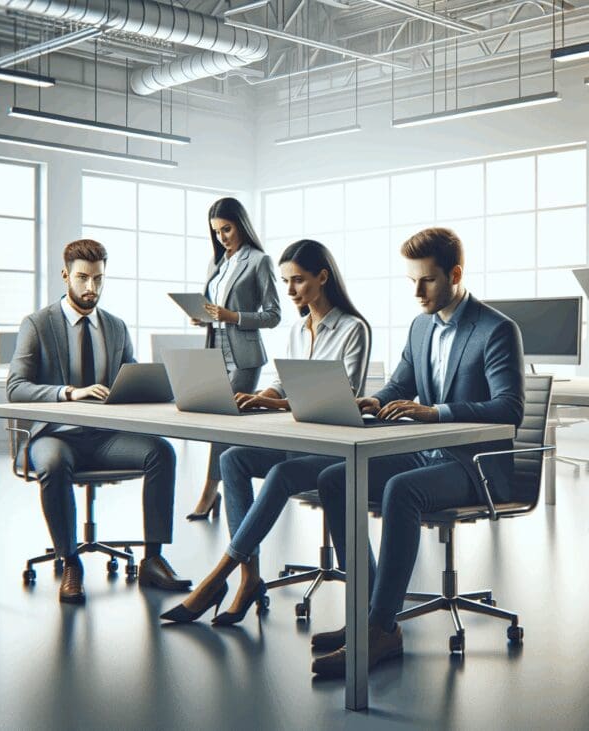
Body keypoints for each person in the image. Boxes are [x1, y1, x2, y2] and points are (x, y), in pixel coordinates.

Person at [308, 228, 525, 679]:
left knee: (400, 490)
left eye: (426, 280)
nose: (418, 292)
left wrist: (436, 412)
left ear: (456, 274)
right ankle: (367, 612)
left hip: (475, 466)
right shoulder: (420, 326)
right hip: (427, 454)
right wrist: (375, 399)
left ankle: (381, 630)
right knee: (334, 478)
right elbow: (401, 384)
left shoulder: (496, 329)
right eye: (411, 281)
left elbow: (510, 407)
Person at [160, 239, 371, 625]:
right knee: (232, 459)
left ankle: (217, 577)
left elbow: (343, 399)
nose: (290, 291)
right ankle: (249, 577)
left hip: (333, 451)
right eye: (286, 282)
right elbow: (284, 382)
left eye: (299, 282)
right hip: (296, 442)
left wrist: (276, 404)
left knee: (279, 474)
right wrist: (261, 395)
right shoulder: (297, 329)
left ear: (323, 278)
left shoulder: (353, 328)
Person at [7, 239, 191, 604]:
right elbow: (16, 387)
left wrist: (160, 386)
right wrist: (68, 393)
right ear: (65, 276)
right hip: (54, 437)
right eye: (83, 278)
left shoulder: (117, 327)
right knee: (55, 464)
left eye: (98, 279)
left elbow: (133, 377)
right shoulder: (38, 325)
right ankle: (70, 561)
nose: (91, 288)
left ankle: (153, 559)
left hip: (105, 439)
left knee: (161, 453)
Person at [186, 197, 282, 523]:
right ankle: (221, 490)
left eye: (226, 229)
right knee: (217, 421)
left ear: (240, 224)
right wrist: (205, 317)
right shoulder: (217, 263)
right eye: (216, 232)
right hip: (215, 352)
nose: (222, 237)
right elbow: (214, 307)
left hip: (244, 356)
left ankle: (212, 489)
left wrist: (232, 316)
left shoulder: (259, 261)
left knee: (226, 421)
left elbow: (273, 315)